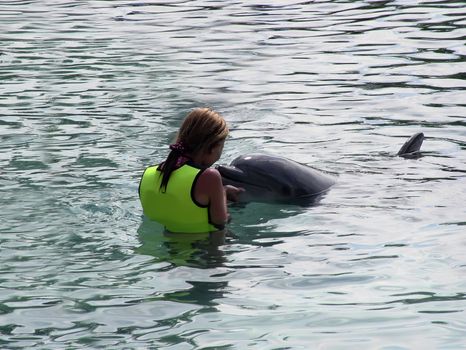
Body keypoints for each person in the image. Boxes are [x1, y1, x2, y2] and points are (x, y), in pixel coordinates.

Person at [138, 107, 243, 236]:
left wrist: (222, 191)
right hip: (201, 252)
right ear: (213, 147)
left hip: (154, 253)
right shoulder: (210, 177)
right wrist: (222, 195)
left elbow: (178, 204)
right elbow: (220, 221)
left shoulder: (148, 173)